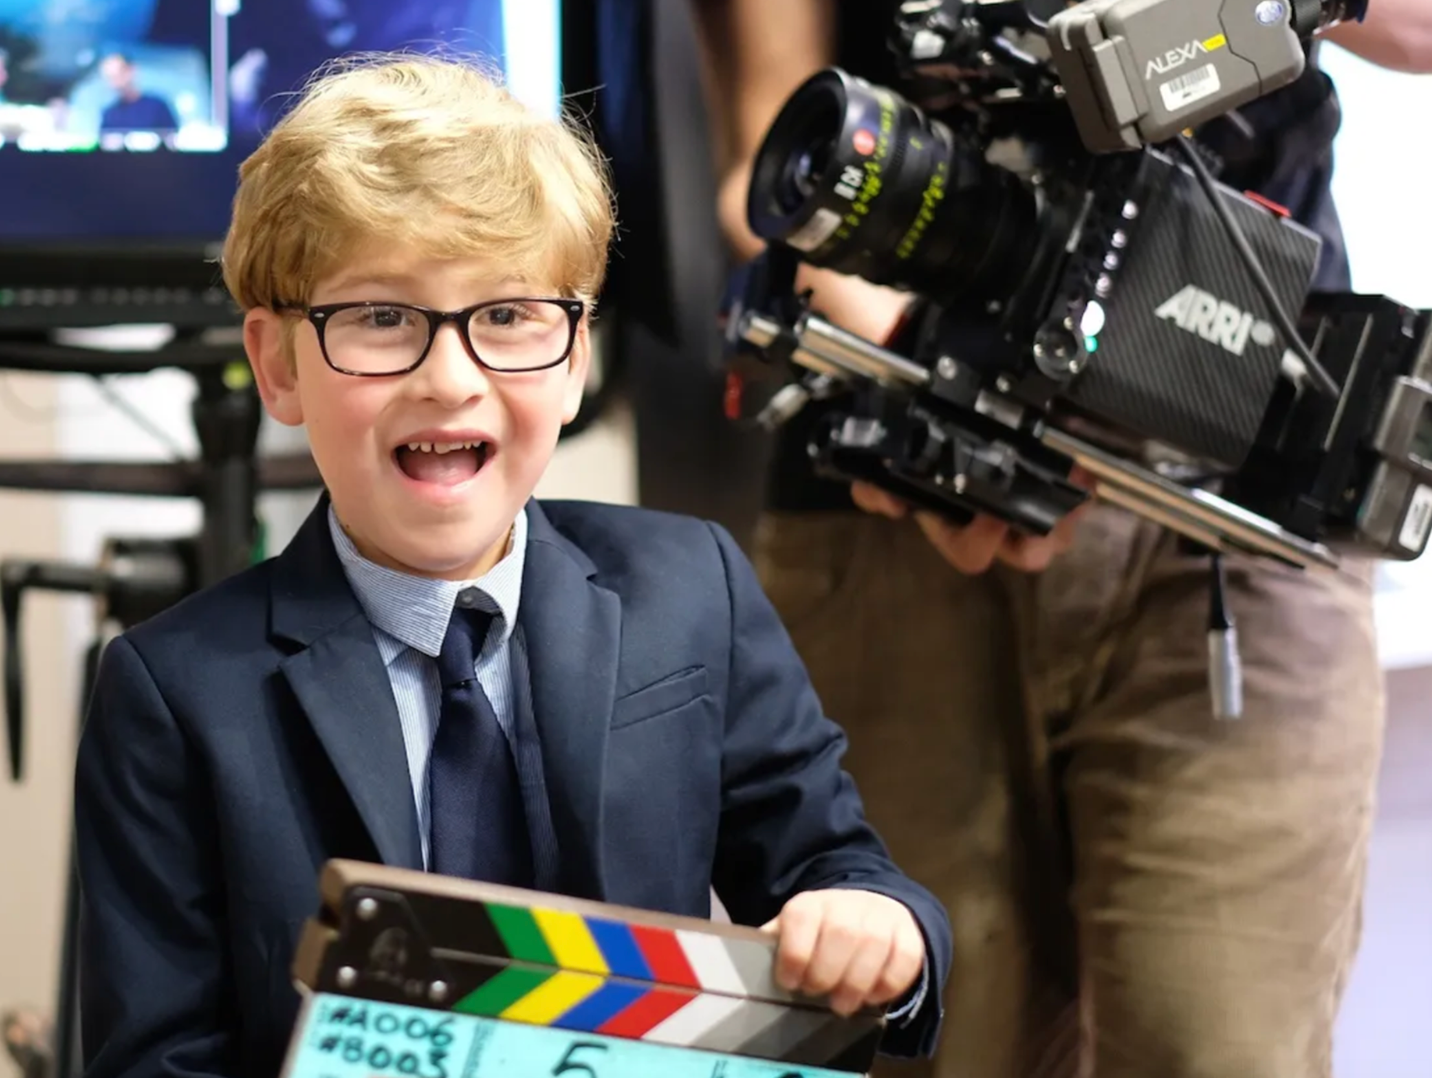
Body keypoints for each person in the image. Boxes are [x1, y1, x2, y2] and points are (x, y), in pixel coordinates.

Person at [72, 53, 953, 1078]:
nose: (450, 380)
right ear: (277, 363)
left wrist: (879, 925)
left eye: (506, 316)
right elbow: (158, 1057)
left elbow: (837, 867)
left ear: (575, 358)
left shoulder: (691, 590)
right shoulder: (174, 695)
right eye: (380, 317)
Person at [689, 1, 1432, 1075]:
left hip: (1241, 491)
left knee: (1222, 1046)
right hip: (895, 502)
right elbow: (772, 157)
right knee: (922, 1043)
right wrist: (953, 390)